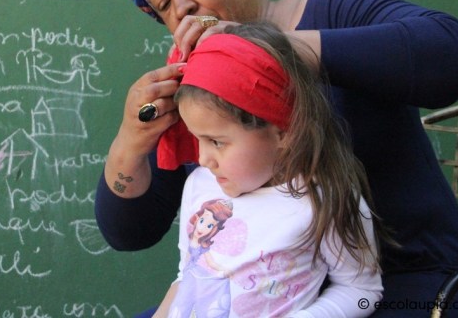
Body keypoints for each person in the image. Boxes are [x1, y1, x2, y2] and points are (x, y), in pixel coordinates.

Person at [96, 0, 458, 316]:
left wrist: (276, 49)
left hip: (420, 283)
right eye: (162, 4)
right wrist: (132, 138)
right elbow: (131, 233)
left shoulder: (332, 9)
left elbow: (453, 57)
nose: (182, 7)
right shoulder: (198, 80)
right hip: (265, 299)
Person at [152, 22, 383, 317]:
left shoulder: (322, 200)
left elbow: (362, 290)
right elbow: (187, 274)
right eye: (197, 139)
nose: (203, 158)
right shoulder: (200, 184)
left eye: (217, 142)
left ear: (282, 132)